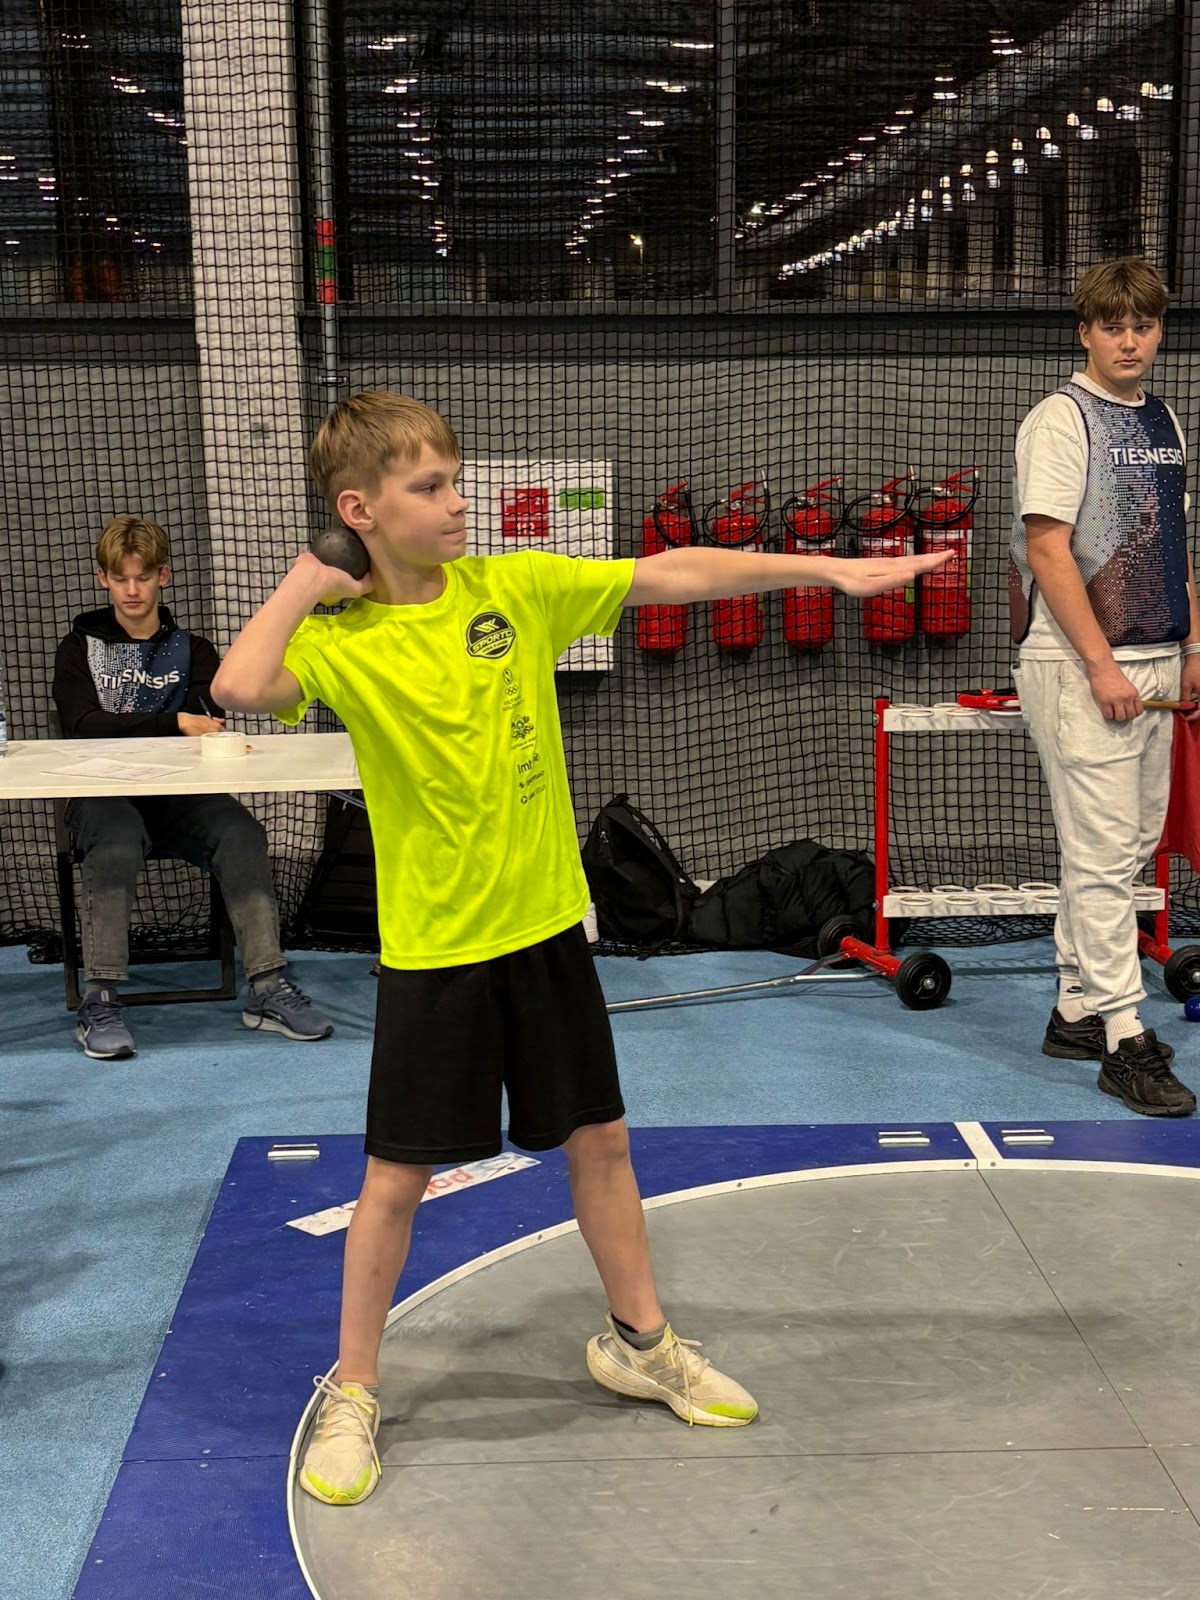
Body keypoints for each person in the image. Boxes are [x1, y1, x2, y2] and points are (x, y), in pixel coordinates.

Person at [212, 390, 952, 1506]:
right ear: (358, 509)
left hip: (548, 931)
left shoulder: (513, 588)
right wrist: (314, 574)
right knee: (396, 1178)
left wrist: (826, 573)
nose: (456, 503)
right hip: (435, 954)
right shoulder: (343, 644)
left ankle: (641, 1345)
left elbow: (673, 574)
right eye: (428, 488)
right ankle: (354, 1389)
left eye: (455, 481)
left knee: (600, 1141)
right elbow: (236, 686)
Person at [1009, 256, 1200, 1117]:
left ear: (1159, 332)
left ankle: (1078, 1009)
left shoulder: (1163, 419)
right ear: (1084, 332)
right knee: (1099, 854)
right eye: (1113, 326)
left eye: (1143, 326)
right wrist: (1098, 664)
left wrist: (1193, 644)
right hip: (1081, 665)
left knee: (1124, 852)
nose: (1130, 341)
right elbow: (1048, 548)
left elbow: (1173, 544)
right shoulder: (1061, 419)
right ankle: (1125, 1038)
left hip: (1159, 659)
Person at [52, 514, 334, 1060]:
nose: (132, 590)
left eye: (143, 576)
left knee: (242, 833)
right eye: (120, 578)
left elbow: (210, 722)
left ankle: (267, 987)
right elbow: (82, 725)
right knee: (115, 841)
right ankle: (99, 998)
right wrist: (173, 721)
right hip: (101, 794)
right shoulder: (78, 648)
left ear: (164, 575)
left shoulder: (195, 650)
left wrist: (186, 725)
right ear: (102, 579)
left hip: (181, 796)